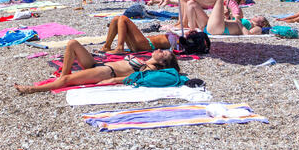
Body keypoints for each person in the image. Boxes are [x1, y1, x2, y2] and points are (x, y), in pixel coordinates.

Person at [14, 40, 180, 94]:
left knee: (66, 80)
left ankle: (32, 89)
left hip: (106, 72)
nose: (159, 50)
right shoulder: (146, 61)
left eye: (163, 54)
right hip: (98, 64)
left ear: (162, 63)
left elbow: (134, 78)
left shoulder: (149, 69)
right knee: (72, 44)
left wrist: (114, 80)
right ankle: (63, 75)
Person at [181, 0, 270, 35]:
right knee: (191, 4)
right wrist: (227, 17)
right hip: (210, 26)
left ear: (262, 24)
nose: (256, 16)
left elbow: (248, 34)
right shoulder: (247, 20)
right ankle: (192, 31)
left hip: (219, 29)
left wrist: (239, 22)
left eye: (259, 17)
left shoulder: (257, 28)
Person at [101, 15, 176, 53]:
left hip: (148, 45)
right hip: (142, 43)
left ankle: (120, 48)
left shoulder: (181, 35)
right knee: (116, 19)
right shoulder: (179, 30)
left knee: (123, 18)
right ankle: (106, 46)